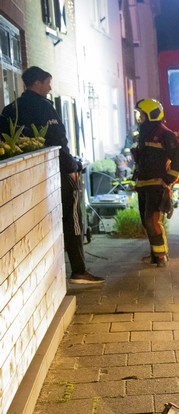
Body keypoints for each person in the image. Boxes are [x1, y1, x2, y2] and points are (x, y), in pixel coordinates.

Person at [0, 66, 105, 284]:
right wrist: (72, 168)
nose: (50, 87)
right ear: (37, 84)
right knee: (72, 219)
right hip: (57, 172)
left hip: (27, 179)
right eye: (47, 83)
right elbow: (57, 141)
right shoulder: (45, 108)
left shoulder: (11, 109)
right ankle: (78, 270)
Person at [131, 98, 179, 267]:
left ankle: (161, 256)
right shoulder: (144, 133)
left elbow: (178, 158)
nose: (139, 118)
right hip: (143, 184)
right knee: (145, 221)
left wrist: (169, 180)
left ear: (150, 114)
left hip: (157, 185)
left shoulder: (165, 134)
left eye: (141, 114)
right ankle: (155, 254)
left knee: (152, 221)